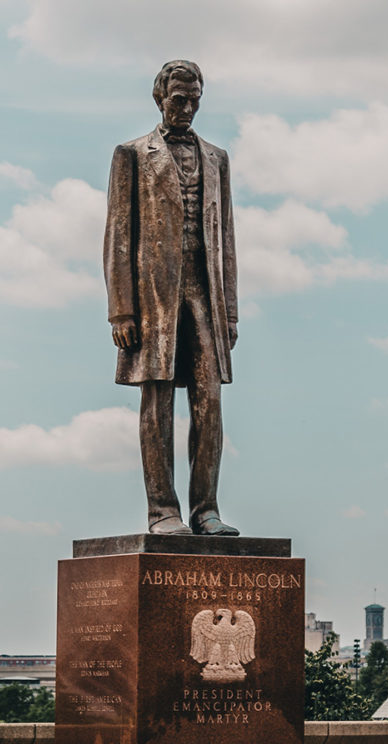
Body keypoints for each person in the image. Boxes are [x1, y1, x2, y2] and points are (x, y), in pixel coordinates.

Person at [104, 59, 239, 536]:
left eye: (194, 99)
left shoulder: (217, 158)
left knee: (209, 402)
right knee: (157, 402)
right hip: (152, 301)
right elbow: (119, 235)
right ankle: (163, 511)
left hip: (205, 296)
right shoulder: (132, 154)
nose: (186, 107)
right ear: (160, 97)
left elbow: (225, 240)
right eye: (178, 99)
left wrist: (230, 314)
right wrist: (121, 308)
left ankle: (207, 510)